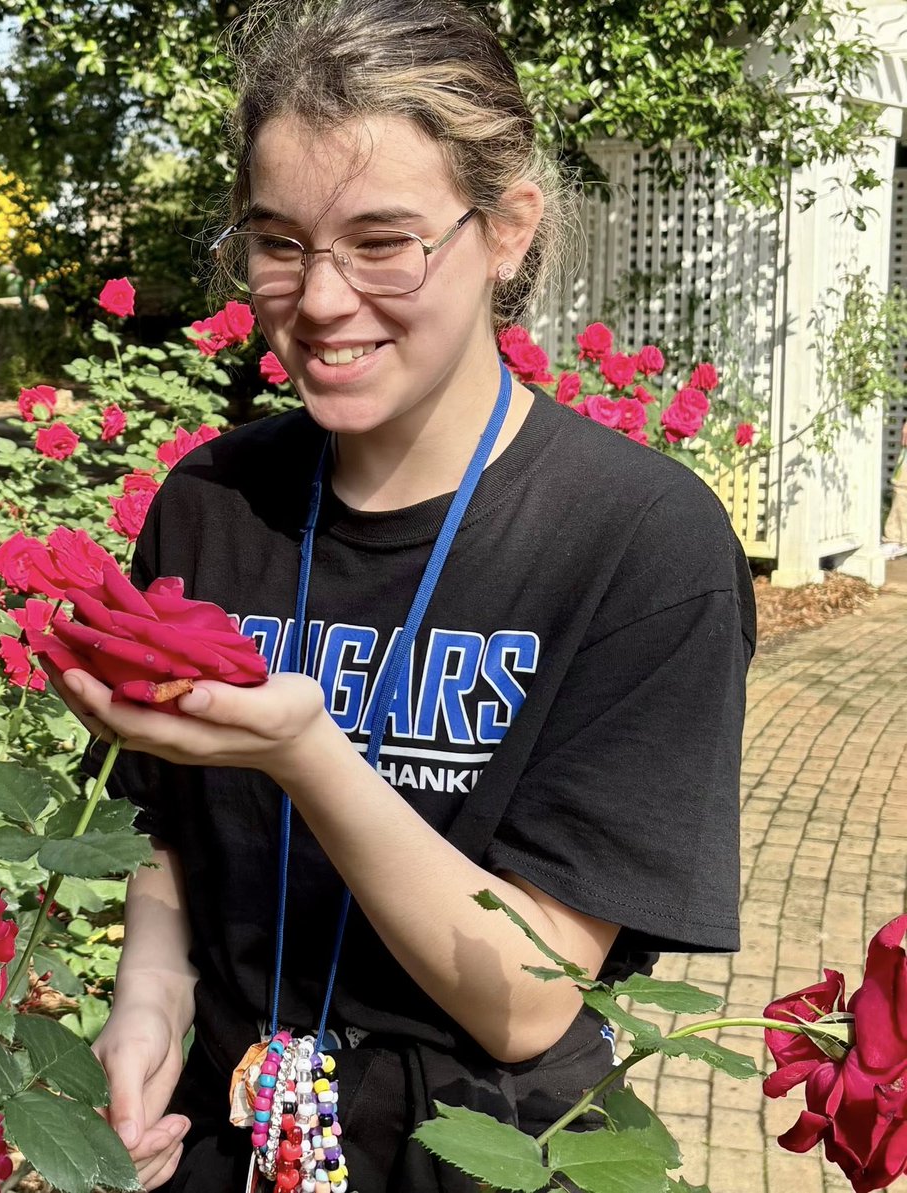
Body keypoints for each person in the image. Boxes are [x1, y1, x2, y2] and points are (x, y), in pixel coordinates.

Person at [46, 1, 757, 1188]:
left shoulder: (636, 541)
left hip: (487, 1151)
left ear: (508, 230)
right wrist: (151, 994)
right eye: (280, 242)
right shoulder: (213, 500)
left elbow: (529, 1001)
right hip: (229, 1131)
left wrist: (307, 753)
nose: (321, 300)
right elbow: (166, 821)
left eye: (383, 241)